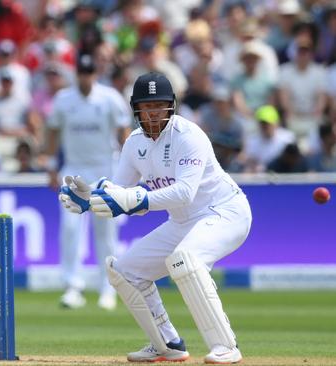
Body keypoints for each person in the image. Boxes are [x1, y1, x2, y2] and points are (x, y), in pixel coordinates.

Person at [59, 72, 251, 364]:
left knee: (184, 259)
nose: (154, 112)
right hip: (183, 222)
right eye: (148, 106)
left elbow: (184, 193)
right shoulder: (134, 143)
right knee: (125, 271)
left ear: (172, 106)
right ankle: (167, 343)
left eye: (160, 105)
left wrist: (139, 200)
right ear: (136, 109)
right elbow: (119, 193)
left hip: (225, 212)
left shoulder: (190, 136)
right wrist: (89, 198)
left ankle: (226, 346)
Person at [45, 53, 132, 310]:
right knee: (70, 229)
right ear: (76, 74)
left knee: (105, 231)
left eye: (89, 72)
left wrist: (127, 171)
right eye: (82, 73)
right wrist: (51, 166)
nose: (85, 77)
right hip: (73, 172)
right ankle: (72, 287)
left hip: (105, 171)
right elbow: (52, 131)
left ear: (96, 73)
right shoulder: (64, 100)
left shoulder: (109, 99)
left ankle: (108, 288)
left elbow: (124, 133)